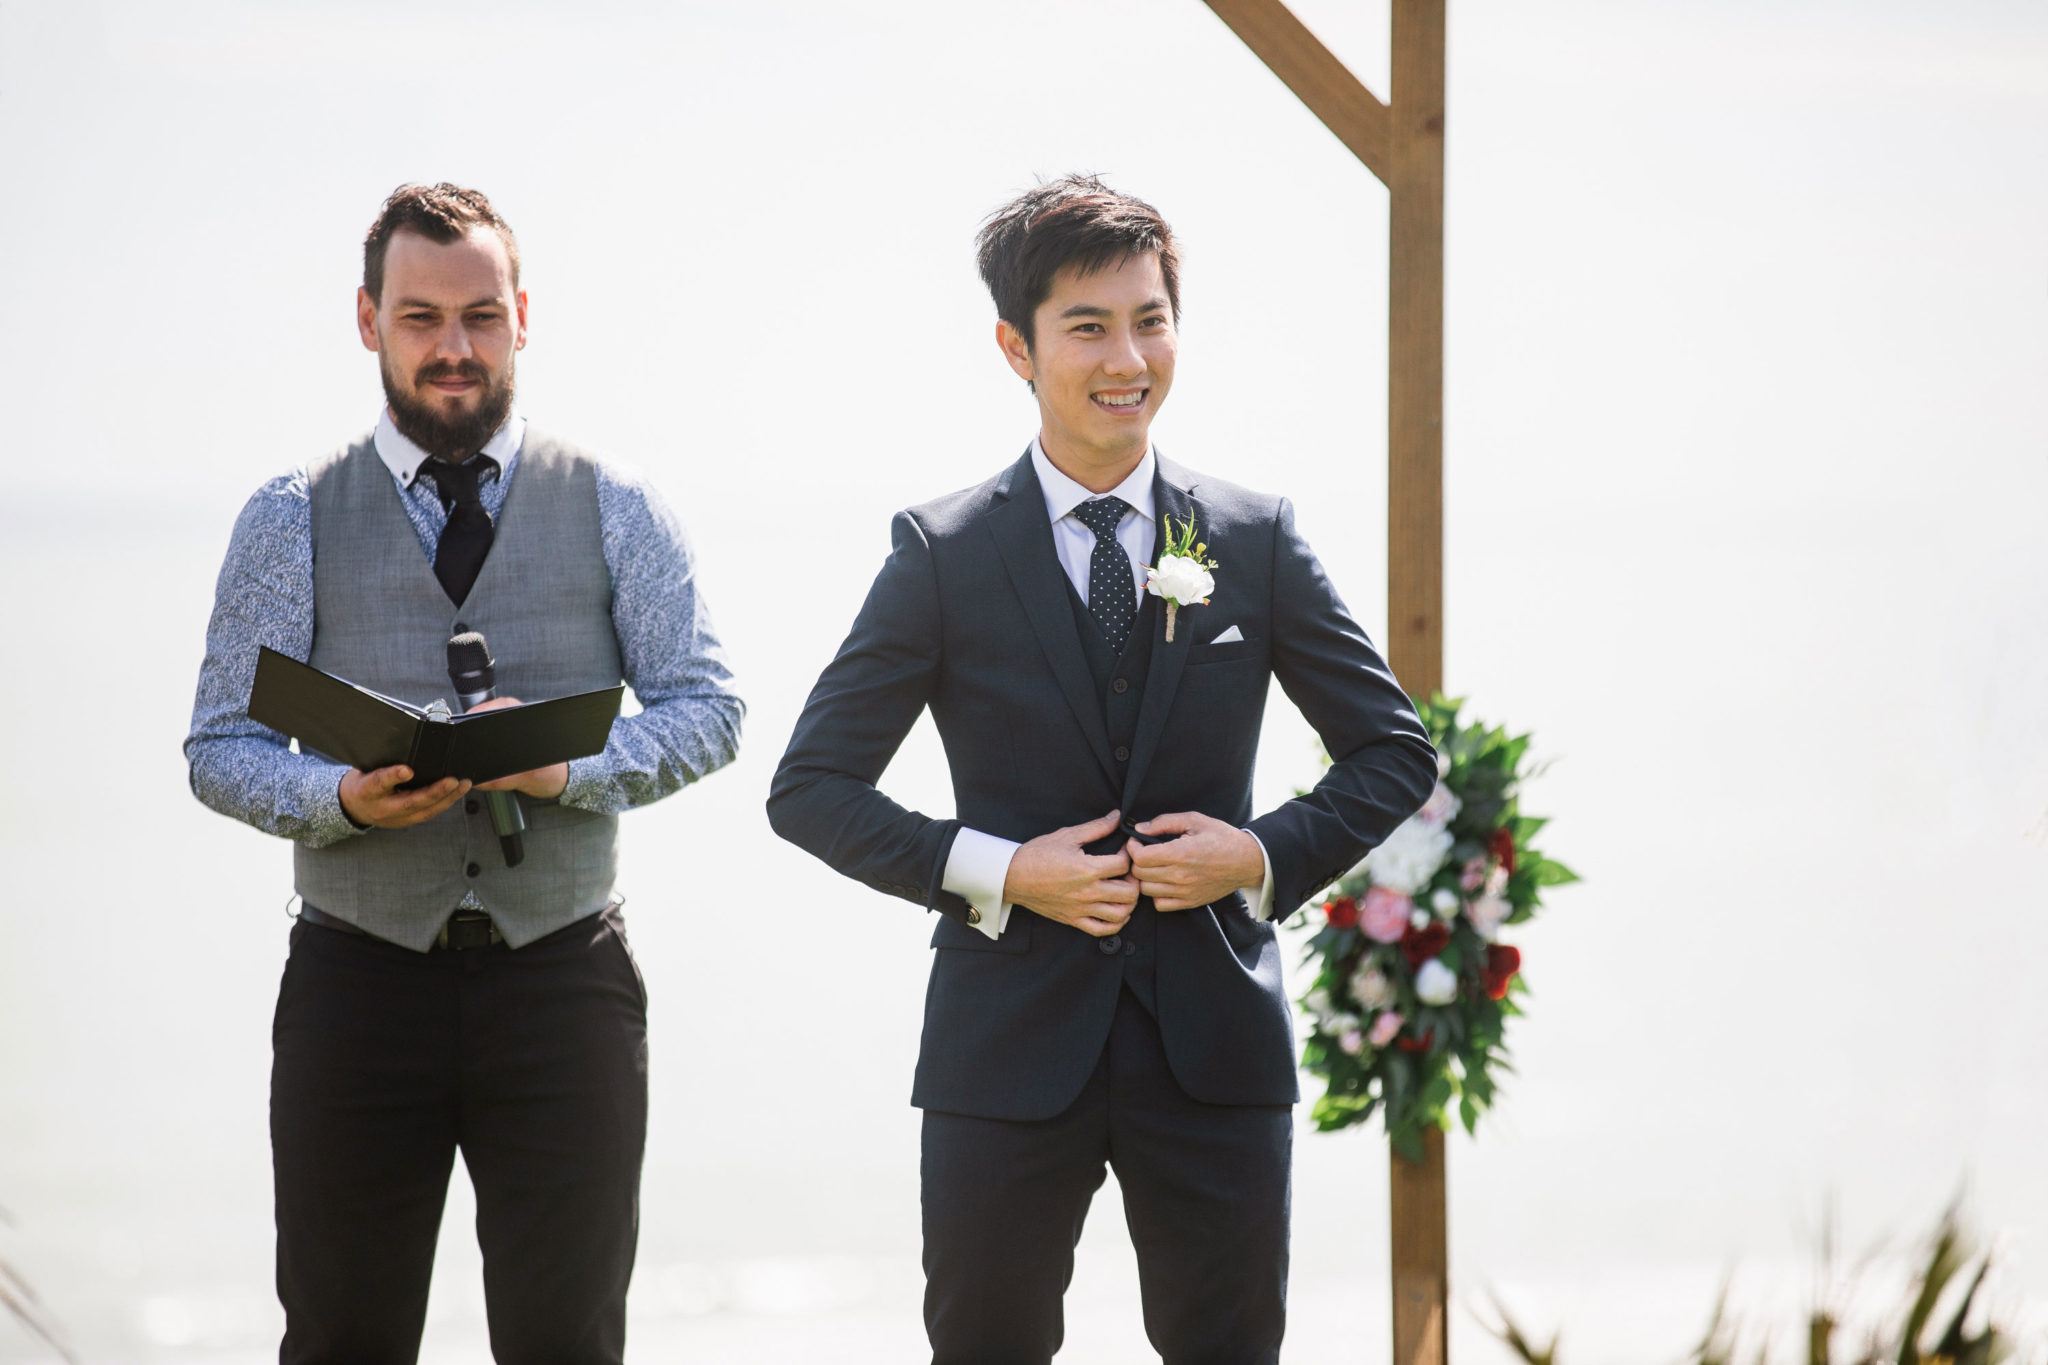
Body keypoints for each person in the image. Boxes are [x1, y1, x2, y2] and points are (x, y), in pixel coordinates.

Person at [766, 175, 1436, 1364]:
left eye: (1149, 319)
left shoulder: (1252, 537)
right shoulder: (940, 555)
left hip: (1215, 1047)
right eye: (1087, 326)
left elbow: (1393, 753)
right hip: (1002, 1049)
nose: (1126, 357)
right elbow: (809, 788)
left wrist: (1261, 854)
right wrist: (1002, 872)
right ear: (1013, 348)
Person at [184, 182, 743, 1362]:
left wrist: (569, 767)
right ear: (368, 319)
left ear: (523, 316)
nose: (453, 348)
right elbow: (220, 747)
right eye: (421, 317)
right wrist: (335, 799)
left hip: (564, 987)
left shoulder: (613, 503)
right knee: (340, 1337)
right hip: (355, 986)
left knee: (568, 1341)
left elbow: (710, 711)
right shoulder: (288, 513)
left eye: (480, 316)